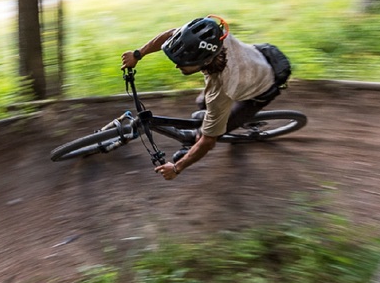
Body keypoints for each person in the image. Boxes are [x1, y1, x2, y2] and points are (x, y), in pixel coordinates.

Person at [120, 15, 291, 181]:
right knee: (201, 102)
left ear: (206, 61)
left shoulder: (222, 88)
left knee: (204, 134)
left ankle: (242, 123)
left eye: (184, 62)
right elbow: (170, 35)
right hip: (255, 61)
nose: (177, 65)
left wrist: (176, 168)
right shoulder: (213, 37)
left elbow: (208, 142)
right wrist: (138, 54)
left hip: (261, 89)